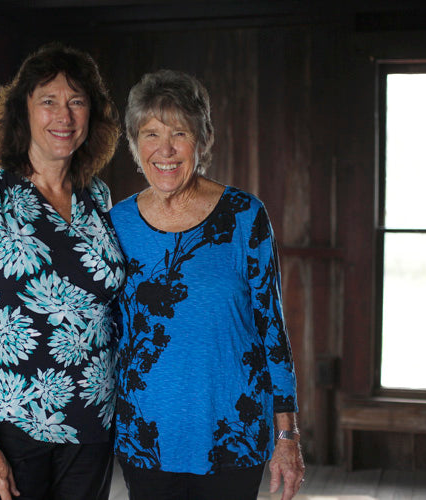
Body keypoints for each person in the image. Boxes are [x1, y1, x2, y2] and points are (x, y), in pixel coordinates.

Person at [110, 69, 305, 500]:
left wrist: (287, 438)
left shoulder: (244, 216)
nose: (165, 149)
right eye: (150, 133)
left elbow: (273, 330)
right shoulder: (116, 224)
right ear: (133, 142)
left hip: (232, 432)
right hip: (147, 437)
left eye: (179, 132)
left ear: (203, 139)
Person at [0, 43, 125, 500]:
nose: (63, 116)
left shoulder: (99, 198)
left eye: (76, 101)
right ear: (22, 111)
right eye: (48, 100)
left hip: (92, 425)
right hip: (12, 429)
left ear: (92, 115)